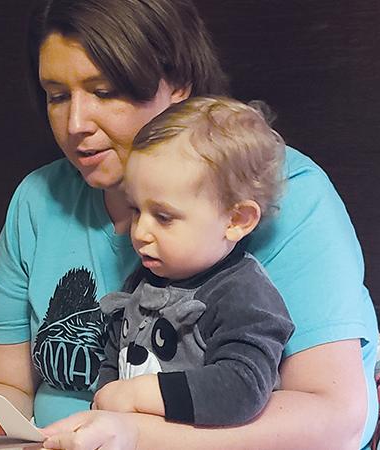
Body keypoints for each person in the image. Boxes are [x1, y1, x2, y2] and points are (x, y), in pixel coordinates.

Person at [0, 0, 379, 448]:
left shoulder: (282, 195)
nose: (75, 123)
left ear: (179, 86)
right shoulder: (38, 199)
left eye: (105, 91)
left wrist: (132, 436)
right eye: (57, 95)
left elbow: (334, 419)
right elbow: (6, 386)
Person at [93, 97, 294, 427]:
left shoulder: (242, 294)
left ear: (237, 220)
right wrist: (103, 404)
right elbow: (116, 353)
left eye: (164, 217)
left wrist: (136, 395)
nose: (140, 232)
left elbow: (244, 385)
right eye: (135, 210)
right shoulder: (146, 276)